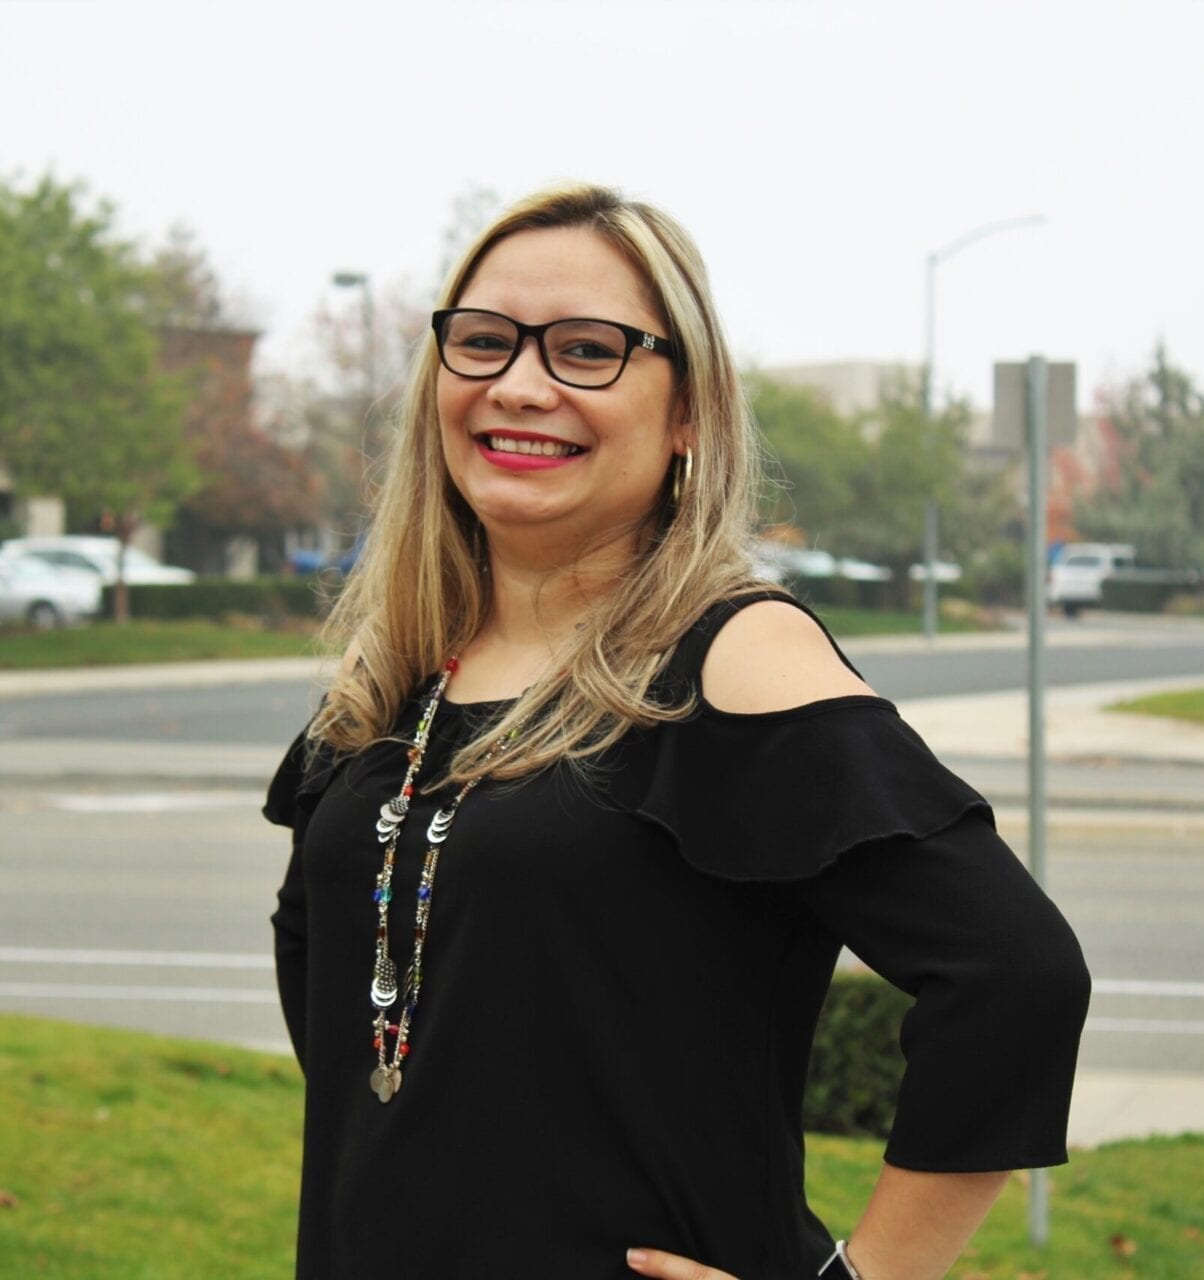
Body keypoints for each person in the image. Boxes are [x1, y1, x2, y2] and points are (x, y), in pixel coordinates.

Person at [264, 183, 1091, 1280]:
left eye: (587, 349)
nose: (520, 383)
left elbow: (1015, 974)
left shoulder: (730, 655)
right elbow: (335, 977)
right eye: (483, 341)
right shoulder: (392, 671)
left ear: (688, 408)